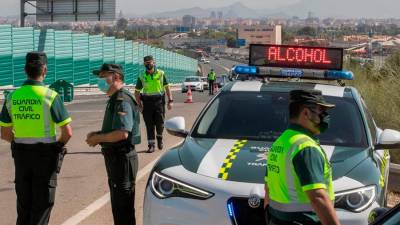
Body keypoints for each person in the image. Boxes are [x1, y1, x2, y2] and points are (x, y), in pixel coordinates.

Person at [0, 52, 72, 225]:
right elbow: (67, 132)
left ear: (25, 70)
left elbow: (4, 133)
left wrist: (20, 143)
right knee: (42, 206)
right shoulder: (50, 96)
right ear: (44, 70)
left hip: (21, 156)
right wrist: (57, 146)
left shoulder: (12, 97)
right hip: (45, 157)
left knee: (24, 206)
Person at [264, 89, 341, 225]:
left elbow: (268, 189)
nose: (325, 116)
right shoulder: (306, 148)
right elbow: (318, 197)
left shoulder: (280, 142)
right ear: (305, 113)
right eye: (321, 111)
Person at [86, 63, 140, 225]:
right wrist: (98, 134)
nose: (100, 81)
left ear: (116, 77)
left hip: (122, 158)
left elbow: (122, 133)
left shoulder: (122, 99)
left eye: (103, 77)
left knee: (123, 209)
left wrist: (98, 139)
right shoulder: (115, 98)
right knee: (119, 207)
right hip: (116, 158)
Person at [134, 55, 173, 153]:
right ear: (144, 64)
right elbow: (137, 92)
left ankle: (159, 138)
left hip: (159, 102)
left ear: (154, 62)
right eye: (146, 63)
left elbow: (167, 87)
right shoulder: (142, 76)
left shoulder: (161, 73)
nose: (148, 64)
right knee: (149, 125)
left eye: (150, 62)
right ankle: (151, 145)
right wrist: (139, 105)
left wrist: (170, 100)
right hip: (147, 103)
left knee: (160, 123)